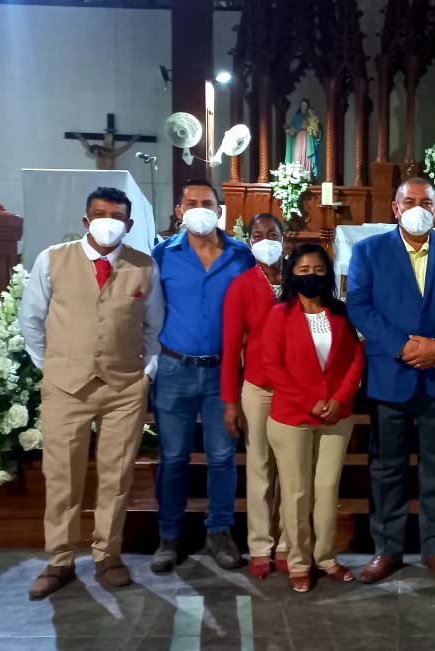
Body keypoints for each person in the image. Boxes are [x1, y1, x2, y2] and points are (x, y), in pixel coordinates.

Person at [19, 186, 164, 599]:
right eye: (100, 214)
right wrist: (52, 367)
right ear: (86, 220)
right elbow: (31, 320)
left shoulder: (144, 266)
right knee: (62, 476)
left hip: (124, 387)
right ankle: (60, 560)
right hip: (66, 386)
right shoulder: (53, 259)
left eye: (116, 216)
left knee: (116, 476)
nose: (108, 222)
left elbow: (154, 327)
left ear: (129, 224)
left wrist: (146, 374)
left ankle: (107, 555)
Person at [345, 177, 435, 584]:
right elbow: (360, 305)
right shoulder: (368, 251)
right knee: (386, 468)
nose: (418, 208)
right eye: (410, 201)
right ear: (395, 208)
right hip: (391, 374)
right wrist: (401, 346)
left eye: (426, 202)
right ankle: (386, 549)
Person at [150, 179, 256, 574]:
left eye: (207, 203)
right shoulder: (162, 255)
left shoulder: (241, 256)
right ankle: (169, 535)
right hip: (174, 368)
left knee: (223, 457)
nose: (199, 209)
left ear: (219, 210)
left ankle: (220, 532)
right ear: (179, 210)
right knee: (173, 457)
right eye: (191, 203)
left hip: (222, 372)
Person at [265, 244, 365, 593]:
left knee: (326, 488)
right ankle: (298, 562)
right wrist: (310, 403)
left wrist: (339, 399)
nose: (312, 276)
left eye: (319, 270)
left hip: (336, 415)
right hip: (293, 416)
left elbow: (356, 359)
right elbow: (271, 366)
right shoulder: (279, 314)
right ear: (292, 274)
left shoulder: (341, 314)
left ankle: (325, 557)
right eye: (304, 270)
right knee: (296, 491)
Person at [221, 213, 288, 579]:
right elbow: (232, 348)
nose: (266, 241)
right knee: (260, 466)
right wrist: (230, 401)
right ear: (249, 242)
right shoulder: (241, 285)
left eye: (272, 234)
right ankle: (261, 546)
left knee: (291, 470)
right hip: (259, 388)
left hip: (295, 389)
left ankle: (288, 544)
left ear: (284, 238)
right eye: (258, 235)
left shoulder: (298, 279)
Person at [285, 99, 322, 179]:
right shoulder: (297, 115)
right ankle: (297, 175)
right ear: (300, 105)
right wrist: (291, 129)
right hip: (299, 137)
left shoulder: (310, 116)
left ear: (307, 106)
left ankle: (307, 176)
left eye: (305, 105)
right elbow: (293, 127)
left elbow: (316, 127)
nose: (303, 106)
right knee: (298, 154)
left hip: (308, 137)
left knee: (307, 154)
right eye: (302, 104)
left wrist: (311, 128)